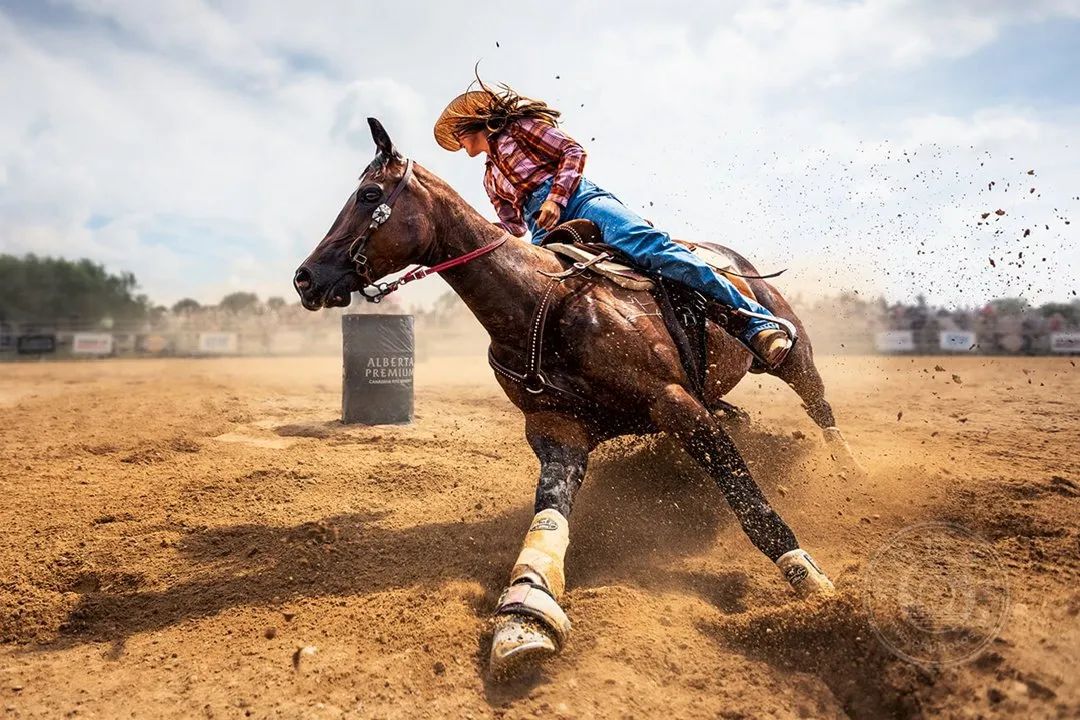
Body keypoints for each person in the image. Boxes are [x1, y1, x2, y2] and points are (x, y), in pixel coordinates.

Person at [434, 79, 792, 367]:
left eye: (458, 134)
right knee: (543, 297)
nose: (458, 142)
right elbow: (512, 227)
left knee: (650, 248)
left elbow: (572, 152)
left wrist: (557, 199)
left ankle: (758, 323)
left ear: (472, 125)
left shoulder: (521, 129)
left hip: (582, 200)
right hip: (542, 226)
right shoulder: (490, 178)